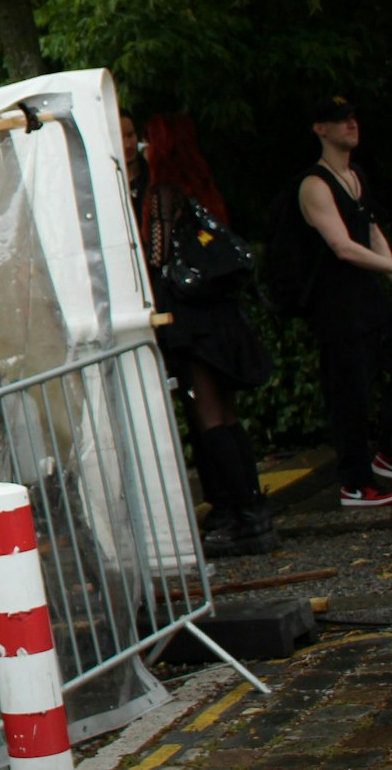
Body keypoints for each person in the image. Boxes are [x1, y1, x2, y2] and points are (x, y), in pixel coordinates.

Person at [126, 111, 277, 555]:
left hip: (190, 321)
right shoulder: (199, 187)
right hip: (219, 315)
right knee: (227, 415)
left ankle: (241, 513)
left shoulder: (163, 193)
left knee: (208, 416)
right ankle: (252, 505)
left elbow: (156, 259)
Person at [299, 95, 392, 508]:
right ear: (320, 129)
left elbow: (372, 233)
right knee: (351, 395)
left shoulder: (356, 176)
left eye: (353, 117)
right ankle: (355, 483)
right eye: (339, 119)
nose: (351, 124)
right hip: (338, 307)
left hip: (371, 298)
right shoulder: (314, 185)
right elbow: (343, 247)